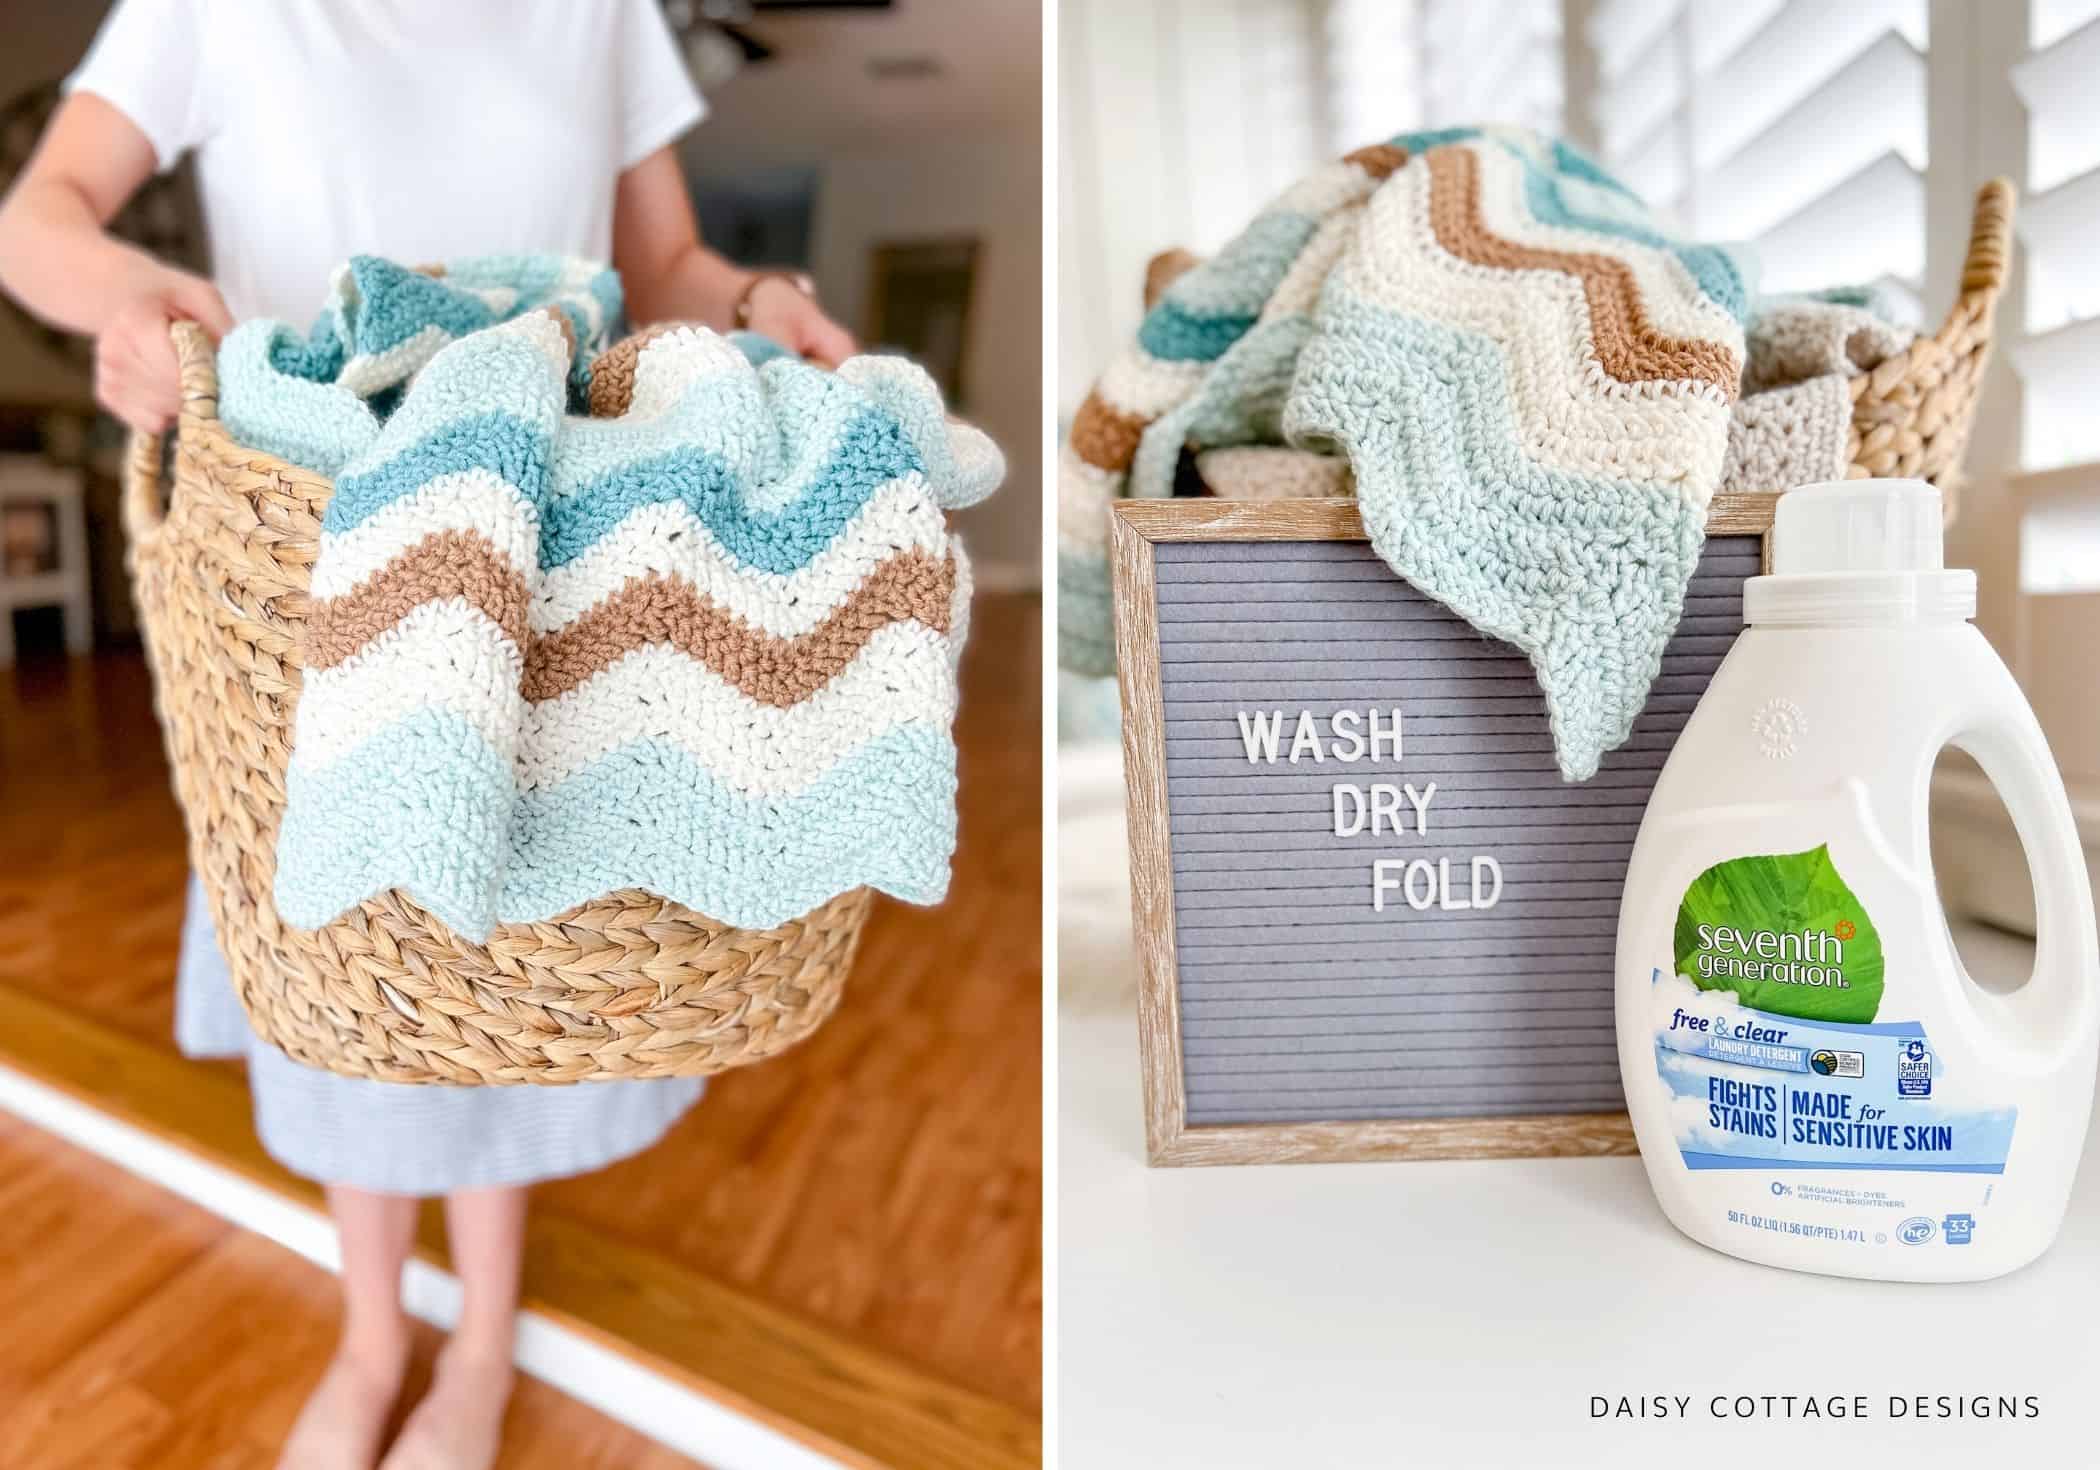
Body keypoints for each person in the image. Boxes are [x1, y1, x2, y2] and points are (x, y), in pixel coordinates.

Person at [0, 5, 856, 1467]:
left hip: (555, 546)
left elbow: (664, 269)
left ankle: (476, 1344)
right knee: (357, 972)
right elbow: (36, 220)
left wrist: (759, 296)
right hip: (309, 559)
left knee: (511, 962)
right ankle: (375, 1332)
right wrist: (151, 303)